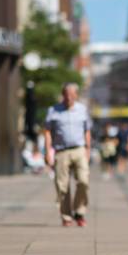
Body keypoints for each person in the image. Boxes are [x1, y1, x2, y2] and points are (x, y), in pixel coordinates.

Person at [44, 83, 92, 227]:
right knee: (62, 186)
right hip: (61, 151)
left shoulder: (82, 110)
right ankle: (66, 216)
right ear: (62, 94)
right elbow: (47, 131)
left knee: (83, 181)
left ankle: (79, 211)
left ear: (76, 95)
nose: (68, 97)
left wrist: (88, 150)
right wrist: (47, 152)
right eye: (66, 94)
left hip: (79, 149)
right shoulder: (53, 110)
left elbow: (87, 131)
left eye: (71, 94)